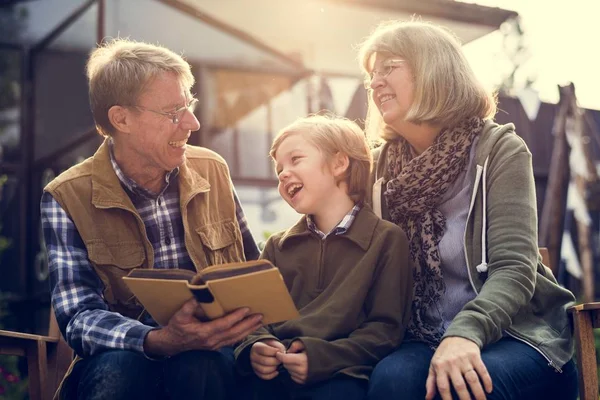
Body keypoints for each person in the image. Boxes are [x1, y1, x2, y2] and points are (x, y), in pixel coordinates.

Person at [358, 20, 578, 400]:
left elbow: (514, 267)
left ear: (434, 70)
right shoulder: (377, 168)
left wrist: (466, 332)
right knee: (390, 382)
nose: (375, 83)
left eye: (389, 67)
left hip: (517, 333)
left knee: (465, 387)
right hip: (423, 335)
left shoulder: (499, 151)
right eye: (371, 74)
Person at [40, 38, 263, 400]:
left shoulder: (213, 169)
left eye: (189, 104)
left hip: (213, 355)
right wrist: (157, 340)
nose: (192, 122)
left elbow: (252, 272)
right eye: (174, 111)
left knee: (201, 363)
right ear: (121, 119)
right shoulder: (66, 196)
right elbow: (78, 317)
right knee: (122, 369)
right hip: (122, 361)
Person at [234, 115, 413, 400]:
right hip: (274, 375)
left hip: (340, 374)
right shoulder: (277, 247)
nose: (282, 173)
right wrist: (257, 345)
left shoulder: (386, 240)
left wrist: (322, 358)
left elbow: (384, 331)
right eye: (279, 168)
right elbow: (255, 319)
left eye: (295, 159)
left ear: (339, 164)